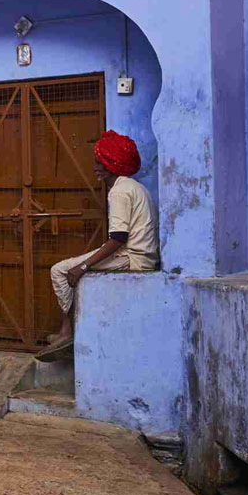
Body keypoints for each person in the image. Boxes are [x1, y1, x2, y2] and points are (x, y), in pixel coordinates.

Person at [36, 130, 159, 362]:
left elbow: (118, 238)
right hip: (139, 254)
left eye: (99, 162)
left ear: (112, 164)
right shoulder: (135, 187)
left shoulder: (120, 192)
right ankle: (68, 331)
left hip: (133, 257)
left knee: (60, 271)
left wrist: (82, 266)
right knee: (68, 268)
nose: (95, 167)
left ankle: (67, 332)